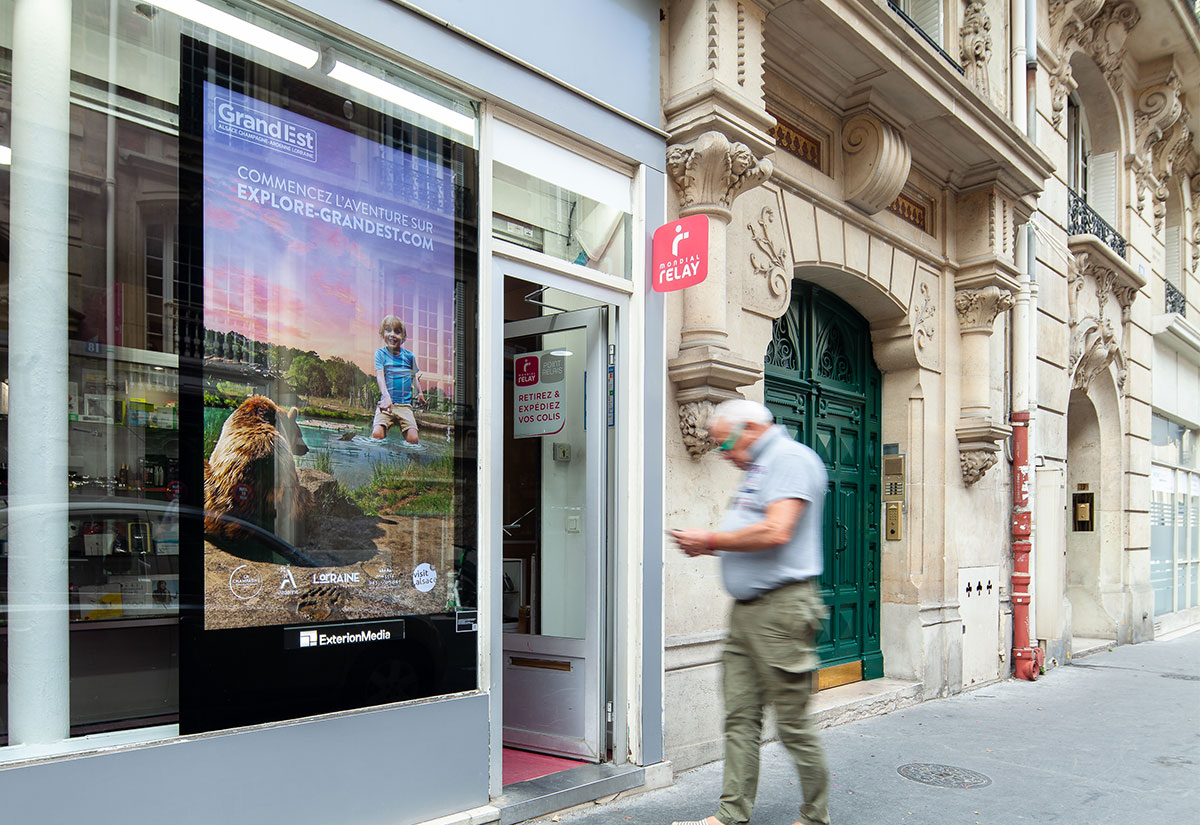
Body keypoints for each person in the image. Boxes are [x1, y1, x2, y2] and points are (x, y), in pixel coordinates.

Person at [669, 398, 832, 825]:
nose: (723, 455)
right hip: (748, 611)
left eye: (725, 445)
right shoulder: (760, 466)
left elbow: (777, 530)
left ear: (752, 429)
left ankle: (816, 818)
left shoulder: (791, 459)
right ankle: (730, 816)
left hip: (782, 610)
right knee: (740, 717)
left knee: (793, 724)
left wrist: (710, 541)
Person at [371, 315, 426, 444]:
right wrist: (386, 396)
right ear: (382, 333)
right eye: (388, 330)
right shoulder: (380, 354)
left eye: (397, 331)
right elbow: (380, 376)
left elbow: (414, 376)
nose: (392, 335)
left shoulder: (409, 356)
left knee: (413, 439)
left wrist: (420, 393)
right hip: (386, 404)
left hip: (404, 406)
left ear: (403, 337)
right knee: (377, 434)